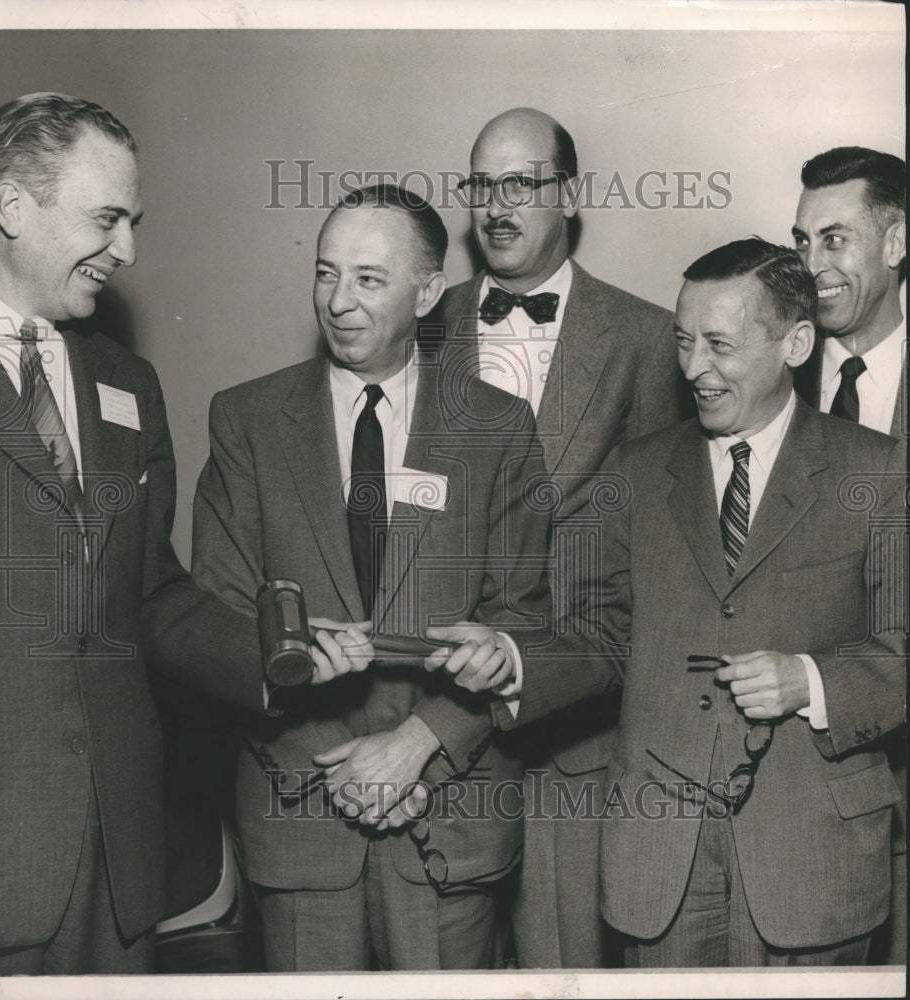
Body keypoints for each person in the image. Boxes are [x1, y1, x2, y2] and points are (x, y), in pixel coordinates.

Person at [433, 238, 906, 965]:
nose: (692, 369)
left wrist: (809, 681)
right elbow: (603, 634)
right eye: (683, 342)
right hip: (658, 862)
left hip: (812, 858)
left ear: (797, 343)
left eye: (719, 345)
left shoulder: (877, 472)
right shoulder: (636, 470)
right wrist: (515, 657)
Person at [188, 183, 553, 971]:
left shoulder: (497, 427)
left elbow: (519, 615)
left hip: (449, 813)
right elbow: (220, 617)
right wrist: (355, 769)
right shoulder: (246, 421)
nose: (338, 301)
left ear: (427, 295)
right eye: (325, 273)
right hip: (302, 810)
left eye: (367, 278)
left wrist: (417, 746)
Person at [0, 93, 262, 975]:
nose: (129, 251)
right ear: (13, 208)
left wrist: (274, 657)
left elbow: (153, 593)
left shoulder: (127, 381)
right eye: (107, 219)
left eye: (133, 222)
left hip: (122, 860)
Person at [426, 106, 689, 967]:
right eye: (480, 186)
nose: (496, 206)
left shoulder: (648, 338)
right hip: (442, 709)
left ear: (567, 195)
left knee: (564, 965)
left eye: (522, 184)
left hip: (580, 732)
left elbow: (664, 545)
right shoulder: (424, 326)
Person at [792, 145, 907, 964]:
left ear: (896, 243)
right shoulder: (764, 378)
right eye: (800, 243)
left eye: (834, 239)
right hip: (801, 788)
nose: (812, 265)